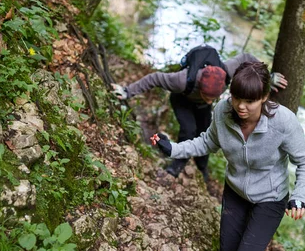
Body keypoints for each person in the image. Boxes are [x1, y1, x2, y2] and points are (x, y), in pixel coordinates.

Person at [150, 61, 305, 251]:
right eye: (237, 98)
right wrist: (173, 149)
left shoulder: (283, 122)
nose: (241, 106)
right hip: (236, 192)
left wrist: (299, 196)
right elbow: (206, 142)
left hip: (271, 198)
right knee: (228, 249)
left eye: (250, 101)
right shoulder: (222, 111)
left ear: (264, 97)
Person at [111, 50, 287, 181]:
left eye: (215, 98)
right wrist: (127, 91)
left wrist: (267, 78)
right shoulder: (181, 80)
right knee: (188, 130)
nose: (212, 101)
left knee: (206, 134)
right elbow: (154, 78)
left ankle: (202, 168)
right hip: (182, 100)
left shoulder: (228, 70)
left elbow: (246, 57)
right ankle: (177, 164)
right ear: (200, 86)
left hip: (200, 106)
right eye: (208, 96)